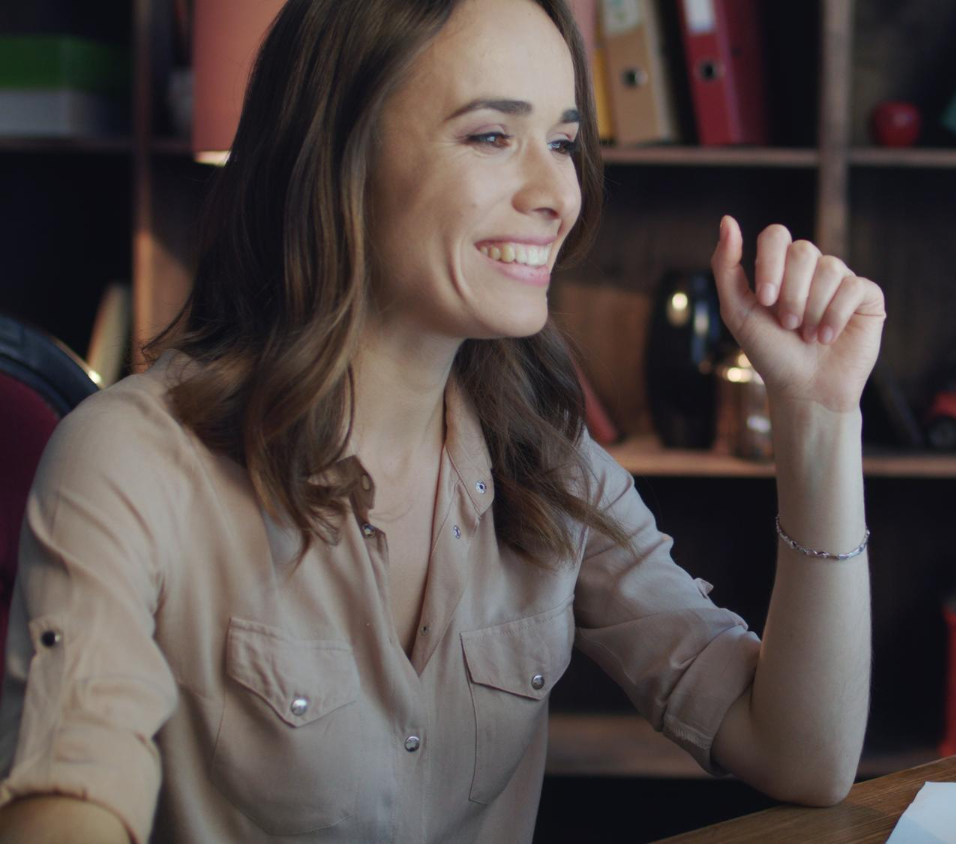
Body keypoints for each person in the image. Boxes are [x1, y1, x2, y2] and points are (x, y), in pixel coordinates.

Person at [0, 0, 884, 841]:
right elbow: (70, 797)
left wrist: (817, 418)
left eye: (565, 141)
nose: (558, 194)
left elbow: (798, 754)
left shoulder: (547, 461)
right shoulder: (133, 460)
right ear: (336, 155)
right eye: (492, 136)